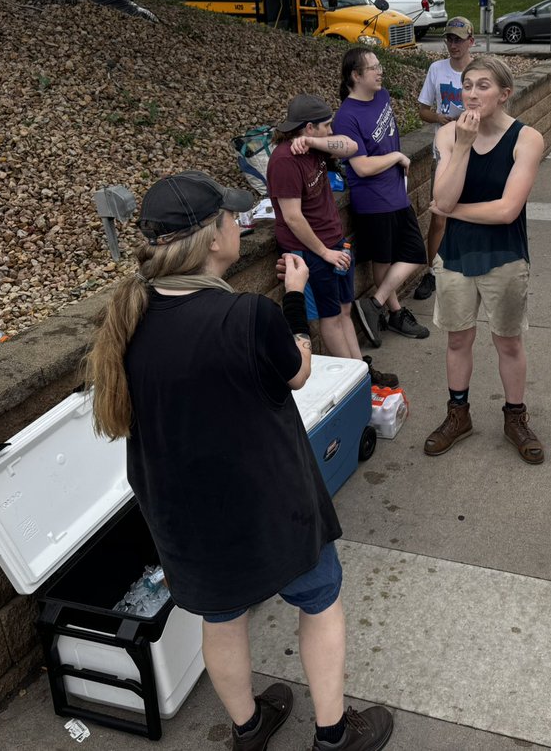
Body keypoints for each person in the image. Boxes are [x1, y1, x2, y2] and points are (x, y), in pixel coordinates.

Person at [84, 171, 393, 751]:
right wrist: (297, 297)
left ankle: (247, 731)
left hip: (181, 511)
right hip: (270, 501)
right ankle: (333, 736)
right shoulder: (245, 315)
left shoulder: (126, 317)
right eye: (230, 217)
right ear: (213, 237)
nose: (236, 224)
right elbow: (298, 372)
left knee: (221, 619)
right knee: (320, 603)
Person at [425, 56, 547, 465]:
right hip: (456, 255)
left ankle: (515, 417)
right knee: (458, 337)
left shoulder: (527, 139)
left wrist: (453, 211)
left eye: (483, 86)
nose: (472, 95)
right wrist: (461, 146)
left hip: (504, 254)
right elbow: (441, 199)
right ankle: (458, 415)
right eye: (467, 86)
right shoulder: (448, 135)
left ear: (504, 93)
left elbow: (506, 210)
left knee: (508, 340)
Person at [268, 93, 398, 388]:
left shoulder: (315, 147)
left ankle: (362, 372)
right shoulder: (285, 160)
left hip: (334, 242)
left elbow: (351, 147)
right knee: (329, 316)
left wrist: (315, 142)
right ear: (308, 126)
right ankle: (355, 384)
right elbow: (292, 217)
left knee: (345, 309)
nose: (332, 131)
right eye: (326, 126)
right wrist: (324, 252)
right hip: (311, 250)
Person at [333, 47, 430, 348]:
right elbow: (360, 167)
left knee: (413, 251)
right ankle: (393, 311)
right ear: (355, 75)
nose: (380, 71)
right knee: (388, 257)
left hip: (395, 191)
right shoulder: (345, 118)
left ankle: (375, 305)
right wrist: (396, 156)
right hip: (373, 198)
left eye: (379, 66)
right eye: (373, 67)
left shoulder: (382, 96)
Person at [413, 16, 476, 301]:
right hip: (445, 153)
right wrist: (439, 117)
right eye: (450, 39)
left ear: (470, 42)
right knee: (440, 214)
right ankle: (432, 272)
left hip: (476, 151)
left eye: (459, 39)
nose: (454, 45)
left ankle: (470, 265)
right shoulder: (436, 69)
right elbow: (422, 109)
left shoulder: (480, 71)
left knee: (473, 213)